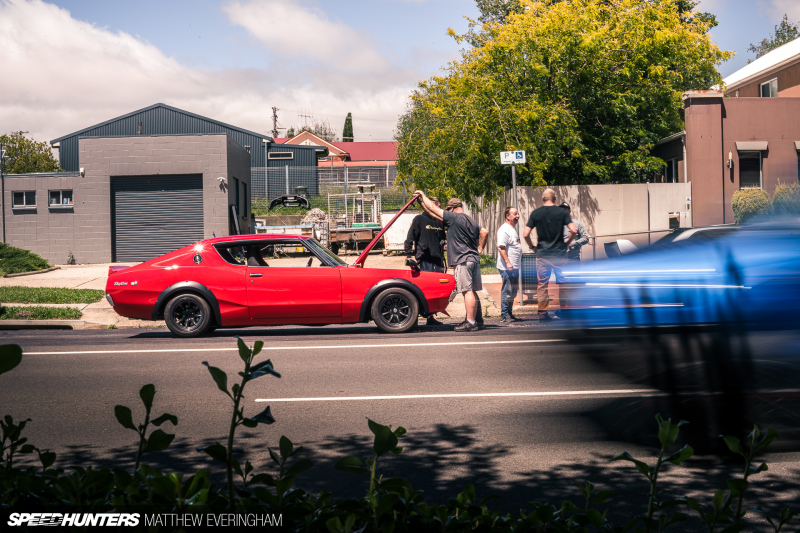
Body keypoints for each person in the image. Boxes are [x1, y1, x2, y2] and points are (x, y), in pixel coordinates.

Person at [415, 191, 488, 332]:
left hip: (462, 260)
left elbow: (434, 209)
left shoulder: (454, 217)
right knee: (472, 291)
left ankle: (470, 322)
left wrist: (423, 195)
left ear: (452, 209)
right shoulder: (471, 220)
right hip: (473, 259)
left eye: (447, 210)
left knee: (467, 291)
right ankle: (478, 320)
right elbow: (484, 232)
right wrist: (480, 248)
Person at [523, 189, 577, 320]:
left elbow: (525, 234)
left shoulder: (536, 213)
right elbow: (574, 230)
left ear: (542, 198)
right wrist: (566, 243)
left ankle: (542, 314)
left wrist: (532, 247)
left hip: (543, 255)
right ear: (555, 198)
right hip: (559, 255)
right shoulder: (562, 213)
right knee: (563, 284)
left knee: (542, 285)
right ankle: (564, 312)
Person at [404, 196, 447, 325]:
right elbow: (410, 238)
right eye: (438, 206)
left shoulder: (439, 221)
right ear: (430, 206)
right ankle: (414, 318)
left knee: (435, 290)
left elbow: (443, 240)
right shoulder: (419, 219)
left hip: (437, 260)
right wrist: (408, 255)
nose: (439, 208)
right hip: (424, 259)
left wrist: (445, 245)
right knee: (422, 289)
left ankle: (430, 317)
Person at [496, 206, 522, 322]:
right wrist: (508, 262)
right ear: (507, 216)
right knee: (507, 291)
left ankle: (509, 313)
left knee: (513, 291)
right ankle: (504, 314)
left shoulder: (512, 229)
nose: (518, 216)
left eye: (517, 214)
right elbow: (501, 247)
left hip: (514, 266)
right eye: (515, 214)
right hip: (507, 267)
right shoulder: (504, 229)